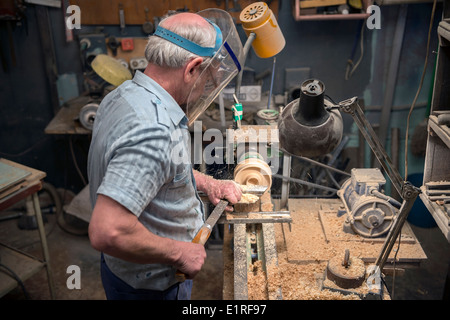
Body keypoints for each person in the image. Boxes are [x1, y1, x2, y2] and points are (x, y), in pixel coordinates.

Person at [87, 9, 243, 300]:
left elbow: (164, 169)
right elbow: (108, 231)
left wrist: (209, 184)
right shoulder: (155, 128)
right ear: (192, 69)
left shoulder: (124, 95)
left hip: (123, 270)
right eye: (208, 79)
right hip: (151, 286)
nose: (205, 89)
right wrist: (180, 253)